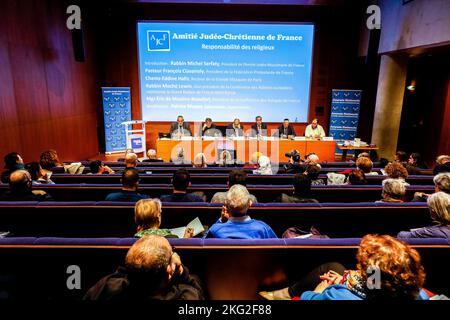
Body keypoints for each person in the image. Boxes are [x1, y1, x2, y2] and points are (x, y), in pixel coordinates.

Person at [259, 234, 429, 300]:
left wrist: (325, 287)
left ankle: (279, 296)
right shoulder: (419, 294)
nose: (359, 269)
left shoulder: (337, 296)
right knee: (335, 267)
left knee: (329, 270)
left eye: (363, 267)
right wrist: (343, 281)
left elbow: (307, 298)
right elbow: (376, 287)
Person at [83, 235, 204, 300]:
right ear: (169, 271)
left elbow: (123, 271)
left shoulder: (108, 287)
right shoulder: (186, 295)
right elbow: (196, 288)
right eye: (172, 251)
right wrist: (181, 270)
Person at [206, 184, 277, 239]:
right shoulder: (263, 228)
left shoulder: (216, 229)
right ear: (250, 204)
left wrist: (221, 221)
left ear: (226, 204)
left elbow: (203, 242)